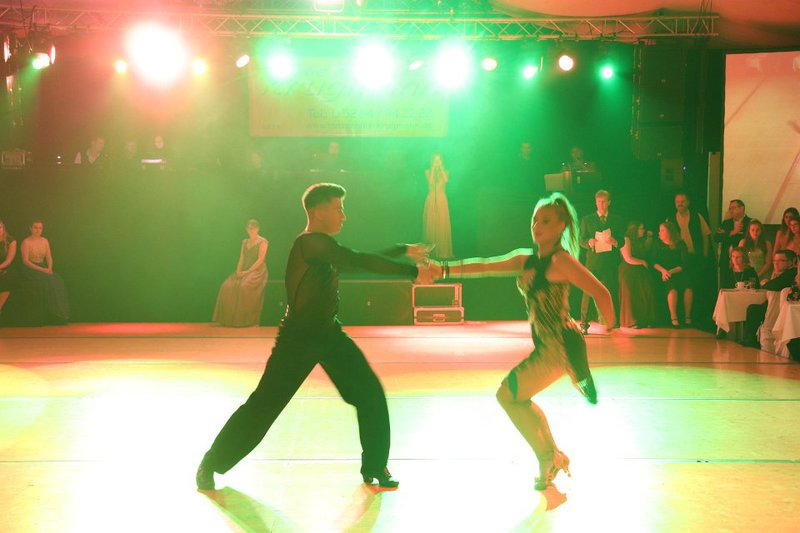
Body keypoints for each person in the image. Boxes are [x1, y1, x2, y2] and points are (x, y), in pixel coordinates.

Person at [196, 183, 436, 491]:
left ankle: (376, 466)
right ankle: (210, 463)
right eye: (338, 208)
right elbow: (357, 259)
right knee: (263, 406)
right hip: (298, 339)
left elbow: (358, 259)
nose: (343, 215)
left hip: (329, 334)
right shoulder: (309, 243)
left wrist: (402, 251)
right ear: (317, 212)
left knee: (370, 395)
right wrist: (412, 272)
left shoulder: (325, 247)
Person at [431, 192, 615, 490]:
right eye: (535, 220)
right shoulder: (526, 260)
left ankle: (548, 456)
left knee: (507, 396)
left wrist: (611, 326)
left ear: (561, 226)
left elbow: (601, 292)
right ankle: (553, 455)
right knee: (518, 399)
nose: (537, 225)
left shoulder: (561, 261)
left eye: (546, 221)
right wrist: (443, 269)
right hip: (546, 346)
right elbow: (486, 265)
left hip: (559, 348)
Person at [579, 189, 622, 333]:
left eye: (604, 202)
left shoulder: (616, 219)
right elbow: (581, 240)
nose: (601, 205)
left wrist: (615, 241)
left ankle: (612, 321)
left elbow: (622, 240)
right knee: (588, 292)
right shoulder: (587, 219)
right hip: (593, 262)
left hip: (610, 262)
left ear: (609, 202)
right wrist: (589, 242)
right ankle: (584, 323)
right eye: (598, 202)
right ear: (595, 202)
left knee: (611, 291)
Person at [212, 219, 269, 327]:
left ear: (257, 229)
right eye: (249, 228)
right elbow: (242, 258)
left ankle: (244, 320)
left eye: (253, 228)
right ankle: (228, 319)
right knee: (226, 286)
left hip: (257, 270)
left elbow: (260, 259)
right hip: (244, 269)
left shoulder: (263, 242)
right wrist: (238, 270)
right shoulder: (244, 242)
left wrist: (248, 271)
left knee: (244, 286)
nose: (251, 230)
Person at [741, 250, 798, 347]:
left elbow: (774, 285)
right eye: (774, 261)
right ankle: (750, 339)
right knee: (752, 308)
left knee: (753, 309)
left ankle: (750, 340)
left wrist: (766, 283)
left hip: (782, 308)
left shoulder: (791, 273)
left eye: (781, 261)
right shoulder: (780, 273)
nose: (776, 263)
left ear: (791, 262)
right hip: (775, 304)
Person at [20, 220, 69, 324]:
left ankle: (59, 315)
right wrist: (43, 270)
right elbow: (25, 261)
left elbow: (49, 257)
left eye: (40, 228)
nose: (38, 230)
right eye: (35, 227)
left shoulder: (45, 241)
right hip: (31, 269)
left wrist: (49, 268)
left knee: (57, 281)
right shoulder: (26, 242)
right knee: (43, 283)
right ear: (30, 228)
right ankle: (43, 317)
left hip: (43, 267)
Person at [652, 221, 691, 328]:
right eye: (660, 230)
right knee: (672, 287)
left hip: (677, 271)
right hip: (663, 272)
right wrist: (664, 271)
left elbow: (684, 263)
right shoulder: (657, 244)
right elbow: (654, 262)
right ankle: (674, 317)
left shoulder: (680, 244)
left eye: (662, 230)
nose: (659, 233)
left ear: (669, 232)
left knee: (688, 287)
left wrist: (671, 271)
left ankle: (687, 316)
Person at [618, 221, 656, 328]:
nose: (643, 231)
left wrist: (649, 238)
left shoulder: (640, 240)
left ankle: (646, 319)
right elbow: (628, 258)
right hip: (629, 271)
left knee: (645, 293)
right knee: (631, 295)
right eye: (641, 228)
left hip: (640, 271)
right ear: (634, 229)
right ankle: (632, 321)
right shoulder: (626, 240)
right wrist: (642, 262)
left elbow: (646, 250)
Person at [422, 152, 453, 259]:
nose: (437, 162)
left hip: (441, 199)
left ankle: (442, 251)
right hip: (431, 198)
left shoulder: (446, 172)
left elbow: (446, 180)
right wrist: (433, 170)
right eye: (435, 160)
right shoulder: (427, 172)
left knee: (441, 224)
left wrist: (441, 169)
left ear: (441, 161)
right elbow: (430, 182)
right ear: (432, 161)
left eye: (439, 160)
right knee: (431, 223)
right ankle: (431, 251)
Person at [715, 199, 751, 284]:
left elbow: (747, 239)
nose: (731, 211)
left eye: (733, 208)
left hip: (741, 261)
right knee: (724, 285)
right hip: (725, 260)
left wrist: (726, 234)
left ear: (742, 208)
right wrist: (732, 232)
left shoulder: (749, 222)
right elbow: (716, 238)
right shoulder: (726, 223)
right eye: (730, 208)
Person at [0, 219, 17, 316]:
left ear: (3, 228)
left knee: (7, 278)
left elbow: (9, 260)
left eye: (0, 227)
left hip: (6, 267)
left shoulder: (11, 241)